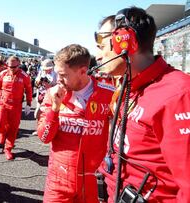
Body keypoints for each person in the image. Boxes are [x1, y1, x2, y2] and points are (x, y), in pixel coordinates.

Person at [95, 7, 190, 202]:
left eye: (102, 46)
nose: (97, 56)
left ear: (126, 41)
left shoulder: (178, 94)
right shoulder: (128, 85)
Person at [37, 44, 114, 202]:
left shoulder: (109, 94)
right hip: (58, 179)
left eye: (63, 75)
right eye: (57, 74)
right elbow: (44, 137)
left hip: (91, 179)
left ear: (83, 71)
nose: (58, 80)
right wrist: (55, 109)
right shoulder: (53, 94)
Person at [0, 56, 32, 160]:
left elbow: (28, 90)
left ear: (18, 65)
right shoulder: (3, 74)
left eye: (14, 67)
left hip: (16, 106)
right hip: (3, 103)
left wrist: (28, 103)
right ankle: (2, 131)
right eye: (10, 66)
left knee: (14, 128)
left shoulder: (25, 76)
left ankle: (8, 149)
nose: (12, 68)